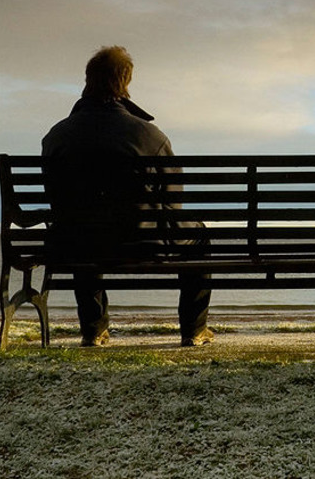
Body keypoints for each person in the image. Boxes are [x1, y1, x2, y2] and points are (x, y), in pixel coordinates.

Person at [41, 46, 213, 347]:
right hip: (143, 240)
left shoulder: (57, 136)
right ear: (125, 82)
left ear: (87, 80)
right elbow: (173, 203)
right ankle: (194, 329)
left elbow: (57, 200)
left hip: (76, 242)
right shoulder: (150, 136)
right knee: (199, 236)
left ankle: (94, 330)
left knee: (81, 228)